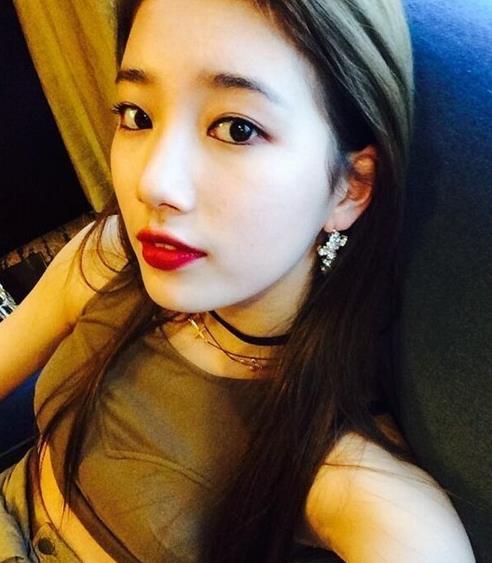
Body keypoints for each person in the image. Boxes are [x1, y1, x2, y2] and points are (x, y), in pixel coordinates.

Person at [0, 0, 476, 561]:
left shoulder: (345, 473)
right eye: (137, 116)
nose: (153, 182)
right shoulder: (109, 255)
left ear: (350, 187)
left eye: (237, 128)